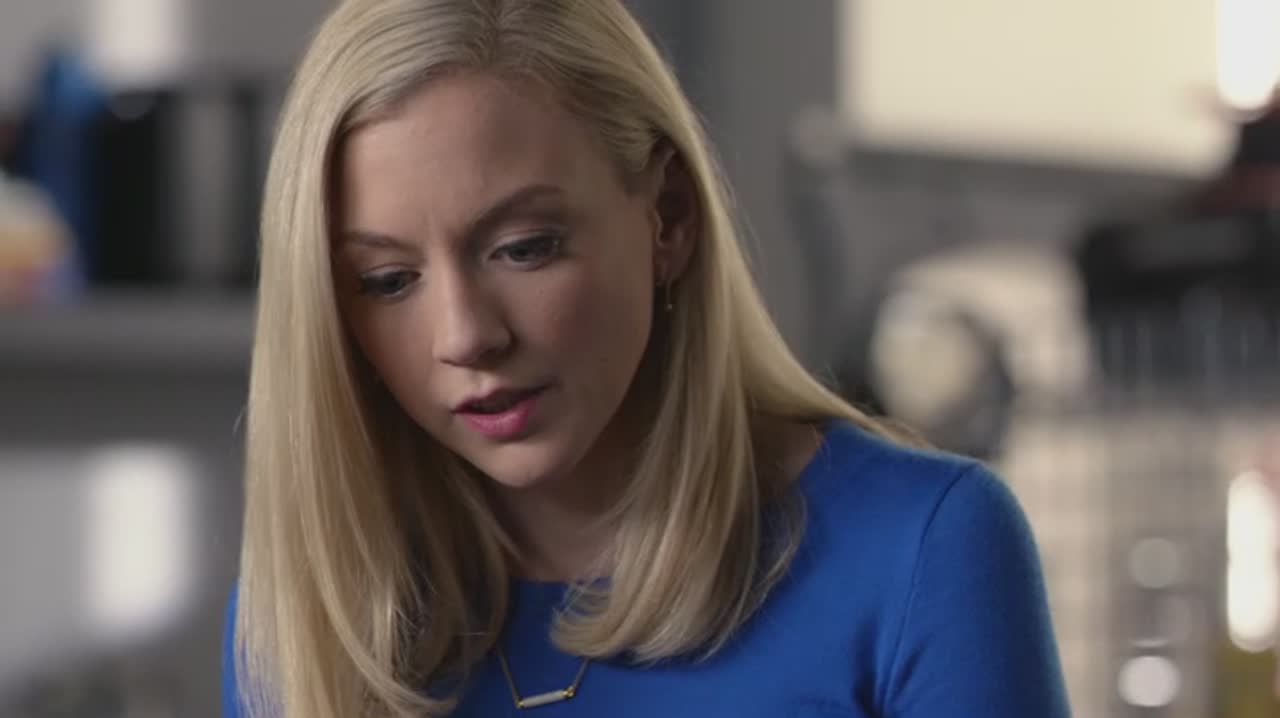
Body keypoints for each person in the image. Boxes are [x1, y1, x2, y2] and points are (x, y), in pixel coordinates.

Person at [222, 1, 1071, 716]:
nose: (464, 336)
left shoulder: (924, 552)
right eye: (387, 280)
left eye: (524, 247)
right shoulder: (315, 617)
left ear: (668, 217)